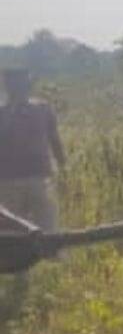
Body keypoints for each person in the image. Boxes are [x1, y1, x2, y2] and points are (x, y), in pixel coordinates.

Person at [0, 68, 65, 233]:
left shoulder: (4, 113)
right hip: (32, 180)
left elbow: (55, 141)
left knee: (13, 232)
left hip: (18, 180)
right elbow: (55, 142)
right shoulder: (42, 109)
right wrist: (62, 166)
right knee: (45, 230)